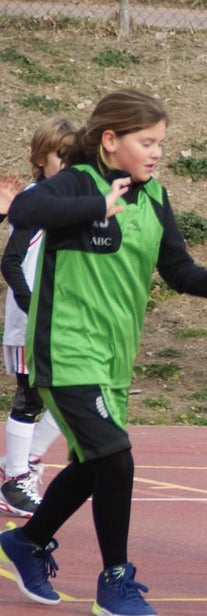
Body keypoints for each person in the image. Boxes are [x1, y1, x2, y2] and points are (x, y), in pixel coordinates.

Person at [0, 89, 207, 616]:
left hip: (114, 359)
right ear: (111, 140)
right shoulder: (78, 183)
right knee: (116, 458)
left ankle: (28, 541)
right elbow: (25, 208)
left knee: (96, 464)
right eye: (147, 142)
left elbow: (179, 271)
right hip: (66, 351)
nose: (157, 152)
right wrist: (98, 204)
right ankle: (115, 579)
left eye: (161, 142)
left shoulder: (154, 196)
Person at [1, 116, 77, 518]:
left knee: (77, 395)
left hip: (61, 317)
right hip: (31, 319)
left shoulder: (73, 202)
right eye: (59, 156)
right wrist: (34, 305)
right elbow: (11, 263)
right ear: (39, 157)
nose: (66, 164)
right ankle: (15, 480)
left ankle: (22, 463)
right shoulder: (35, 203)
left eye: (73, 157)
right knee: (30, 397)